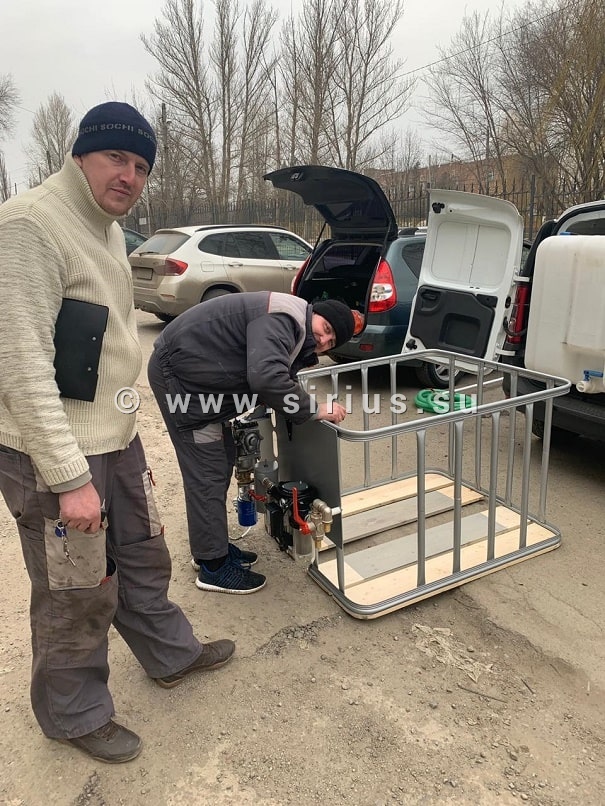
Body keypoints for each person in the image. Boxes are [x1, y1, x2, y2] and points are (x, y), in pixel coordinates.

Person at [0, 102, 235, 764]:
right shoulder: (30, 226)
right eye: (115, 157)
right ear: (79, 154)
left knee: (142, 554)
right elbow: (20, 365)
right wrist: (68, 478)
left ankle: (168, 653)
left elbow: (106, 343)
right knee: (76, 589)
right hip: (55, 452)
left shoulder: (105, 230)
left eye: (141, 166)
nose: (129, 175)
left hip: (113, 439)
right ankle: (73, 714)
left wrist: (126, 435)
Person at [147, 291, 355, 595]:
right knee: (207, 470)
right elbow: (267, 377)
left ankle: (212, 548)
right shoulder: (285, 318)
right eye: (326, 329)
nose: (324, 340)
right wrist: (315, 409)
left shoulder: (294, 324)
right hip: (182, 382)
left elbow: (275, 371)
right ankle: (213, 566)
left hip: (199, 381)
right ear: (316, 313)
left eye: (331, 341)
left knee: (221, 457)